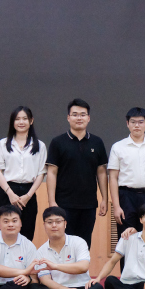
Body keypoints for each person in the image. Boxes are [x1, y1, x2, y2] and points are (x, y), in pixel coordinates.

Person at [108, 107, 145, 270]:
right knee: (127, 239)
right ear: (127, 124)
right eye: (133, 122)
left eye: (141, 122)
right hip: (126, 197)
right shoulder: (118, 147)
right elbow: (113, 177)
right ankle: (127, 280)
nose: (137, 125)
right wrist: (116, 206)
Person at [45, 99, 109, 248]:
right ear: (68, 117)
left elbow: (101, 172)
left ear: (88, 118)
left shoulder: (97, 142)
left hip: (88, 204)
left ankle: (82, 265)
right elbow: (52, 173)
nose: (79, 118)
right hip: (64, 204)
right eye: (75, 114)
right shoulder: (58, 142)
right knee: (64, 243)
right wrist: (52, 202)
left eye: (82, 114)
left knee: (84, 244)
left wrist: (104, 199)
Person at [26, 207, 105, 289]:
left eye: (58, 222)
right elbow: (45, 280)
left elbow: (83, 267)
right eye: (50, 222)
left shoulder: (78, 242)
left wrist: (55, 266)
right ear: (44, 225)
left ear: (65, 224)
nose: (54, 225)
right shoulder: (40, 251)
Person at [0, 106, 47, 241]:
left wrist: (28, 195)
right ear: (12, 122)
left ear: (31, 121)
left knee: (26, 235)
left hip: (29, 192)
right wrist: (10, 193)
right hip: (7, 191)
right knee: (2, 235)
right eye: (17, 119)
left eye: (24, 119)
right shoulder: (3, 143)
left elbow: (41, 173)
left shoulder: (40, 146)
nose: (21, 122)